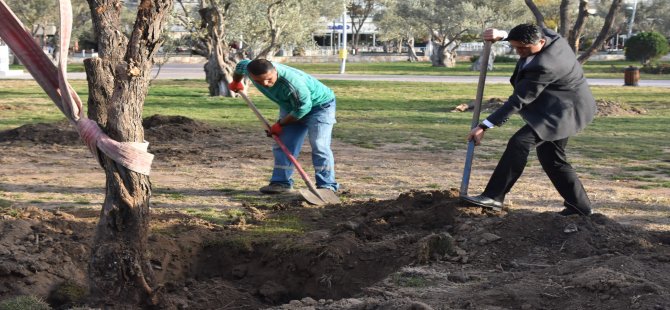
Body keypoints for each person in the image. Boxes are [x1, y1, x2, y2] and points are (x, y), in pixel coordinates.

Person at [461, 23, 596, 216]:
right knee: (552, 158)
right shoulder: (550, 36)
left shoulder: (545, 66)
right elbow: (534, 29)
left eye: (523, 48)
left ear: (541, 42)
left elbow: (518, 100)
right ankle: (580, 207)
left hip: (565, 111)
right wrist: (502, 34)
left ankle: (494, 196)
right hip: (559, 104)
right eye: (515, 47)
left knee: (519, 142)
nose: (519, 52)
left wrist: (484, 126)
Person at [229, 59, 339, 194]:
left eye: (269, 79)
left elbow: (303, 109)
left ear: (275, 71)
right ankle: (281, 183)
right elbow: (240, 66)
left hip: (320, 106)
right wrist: (236, 81)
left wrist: (280, 124)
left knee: (319, 145)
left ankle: (327, 186)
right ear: (251, 75)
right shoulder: (248, 67)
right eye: (258, 81)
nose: (265, 84)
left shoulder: (292, 84)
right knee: (284, 144)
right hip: (291, 106)